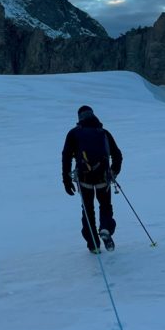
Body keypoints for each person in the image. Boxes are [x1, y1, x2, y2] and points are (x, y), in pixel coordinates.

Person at [62, 105, 123, 253]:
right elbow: (117, 155)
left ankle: (93, 245)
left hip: (84, 179)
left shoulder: (74, 134)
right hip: (103, 178)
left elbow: (66, 157)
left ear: (79, 118)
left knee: (88, 210)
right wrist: (113, 172)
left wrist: (66, 180)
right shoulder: (103, 133)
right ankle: (106, 228)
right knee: (105, 205)